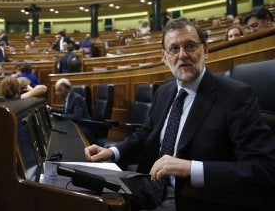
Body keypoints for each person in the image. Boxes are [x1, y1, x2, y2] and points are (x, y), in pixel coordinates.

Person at [85, 17, 275, 211]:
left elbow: (264, 168)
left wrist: (190, 168)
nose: (182, 55)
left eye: (190, 46)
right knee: (83, 193)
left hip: (192, 198)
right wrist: (113, 152)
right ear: (165, 57)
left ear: (205, 51)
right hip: (149, 185)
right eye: (174, 49)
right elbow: (145, 135)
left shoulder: (235, 96)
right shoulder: (164, 92)